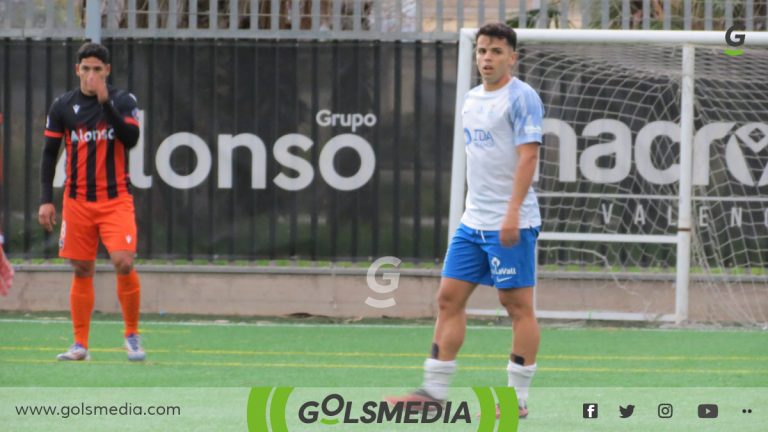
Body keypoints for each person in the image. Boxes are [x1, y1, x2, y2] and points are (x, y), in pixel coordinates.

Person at [387, 23, 544, 418]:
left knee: (516, 305)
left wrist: (510, 214)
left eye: (495, 51)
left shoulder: (522, 98)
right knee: (448, 299)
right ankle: (432, 392)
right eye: (482, 51)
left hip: (513, 223)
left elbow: (529, 157)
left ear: (512, 57)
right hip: (472, 223)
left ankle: (516, 401)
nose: (486, 58)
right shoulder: (472, 99)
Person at [38, 42, 145, 362]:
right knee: (82, 268)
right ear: (77, 70)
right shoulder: (62, 106)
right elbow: (48, 155)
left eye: (98, 69)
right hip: (78, 202)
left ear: (107, 71)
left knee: (123, 262)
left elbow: (131, 140)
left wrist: (105, 103)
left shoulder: (124, 101)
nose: (92, 75)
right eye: (86, 69)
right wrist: (46, 200)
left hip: (115, 200)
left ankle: (131, 335)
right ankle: (80, 344)